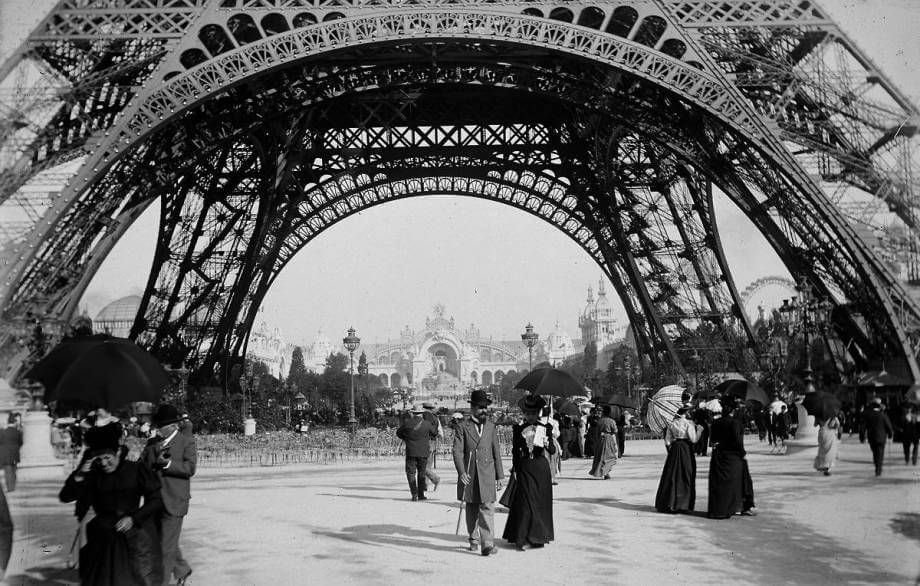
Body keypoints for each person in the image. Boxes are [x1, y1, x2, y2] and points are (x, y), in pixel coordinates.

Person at [59, 423, 163, 585]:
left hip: (133, 536)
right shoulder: (93, 474)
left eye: (108, 458)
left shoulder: (136, 470)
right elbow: (66, 496)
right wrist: (80, 474)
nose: (104, 463)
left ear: (118, 452)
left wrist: (133, 518)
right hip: (103, 537)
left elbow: (156, 500)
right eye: (99, 459)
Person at [141, 404, 197, 586]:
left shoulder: (186, 441)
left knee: (165, 548)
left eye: (161, 426)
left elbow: (190, 468)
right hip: (154, 501)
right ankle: (182, 569)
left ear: (173, 426)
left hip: (174, 501)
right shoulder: (152, 443)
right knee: (162, 541)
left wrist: (167, 464)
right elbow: (143, 466)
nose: (157, 429)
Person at [452, 389, 504, 557]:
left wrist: (500, 476)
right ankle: (473, 539)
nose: (483, 410)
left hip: (487, 473)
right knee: (472, 508)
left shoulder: (490, 426)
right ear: (472, 408)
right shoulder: (462, 427)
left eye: (485, 407)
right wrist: (461, 472)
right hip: (470, 473)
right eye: (480, 407)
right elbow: (457, 451)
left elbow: (496, 451)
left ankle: (487, 543)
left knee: (487, 507)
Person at [502, 395, 554, 550]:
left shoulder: (546, 428)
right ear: (524, 414)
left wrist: (547, 443)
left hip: (540, 468)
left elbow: (552, 450)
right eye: (528, 413)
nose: (531, 416)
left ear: (538, 413)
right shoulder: (518, 429)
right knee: (525, 502)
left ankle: (537, 538)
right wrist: (515, 468)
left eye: (534, 413)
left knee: (539, 503)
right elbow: (515, 451)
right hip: (525, 467)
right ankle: (523, 537)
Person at [707, 398, 756, 519]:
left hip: (719, 455)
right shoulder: (735, 423)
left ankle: (719, 509)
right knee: (740, 481)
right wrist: (743, 453)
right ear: (733, 410)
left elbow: (712, 441)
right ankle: (741, 507)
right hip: (733, 456)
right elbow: (737, 441)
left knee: (719, 484)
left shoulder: (716, 423)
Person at [655, 406, 701, 514]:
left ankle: (669, 502)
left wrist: (671, 451)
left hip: (675, 449)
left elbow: (667, 441)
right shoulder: (689, 423)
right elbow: (694, 439)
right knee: (686, 473)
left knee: (671, 474)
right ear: (686, 412)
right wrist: (699, 431)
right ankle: (683, 504)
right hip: (685, 449)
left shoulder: (672, 424)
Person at [396, 404, 438, 501]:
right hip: (423, 451)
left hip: (411, 451)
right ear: (422, 413)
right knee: (421, 473)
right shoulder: (427, 424)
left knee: (411, 473)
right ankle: (421, 494)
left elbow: (398, 433)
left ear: (413, 413)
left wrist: (406, 438)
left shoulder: (407, 423)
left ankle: (414, 494)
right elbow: (434, 433)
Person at [860, 397, 893, 477]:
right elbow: (889, 426)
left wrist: (862, 437)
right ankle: (878, 469)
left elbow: (863, 427)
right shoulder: (883, 415)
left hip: (872, 437)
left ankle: (877, 466)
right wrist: (890, 434)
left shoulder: (868, 415)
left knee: (875, 452)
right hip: (882, 437)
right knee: (880, 453)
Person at [588, 405, 618, 480]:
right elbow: (615, 431)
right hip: (609, 438)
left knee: (600, 455)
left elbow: (597, 432)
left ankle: (604, 472)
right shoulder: (611, 421)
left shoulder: (600, 421)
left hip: (600, 439)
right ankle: (606, 472)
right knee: (608, 455)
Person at [421, 402, 444, 492]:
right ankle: (425, 484)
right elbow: (440, 431)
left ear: (424, 408)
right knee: (428, 464)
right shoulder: (435, 417)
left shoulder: (424, 416)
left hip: (425, 441)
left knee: (421, 463)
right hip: (432, 441)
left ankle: (435, 479)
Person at [0, 417, 23, 493]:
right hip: (14, 453)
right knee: (14, 470)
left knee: (8, 471)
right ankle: (13, 486)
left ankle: (10, 487)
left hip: (5, 454)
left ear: (8, 422)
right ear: (15, 422)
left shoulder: (3, 432)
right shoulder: (18, 432)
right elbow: (21, 442)